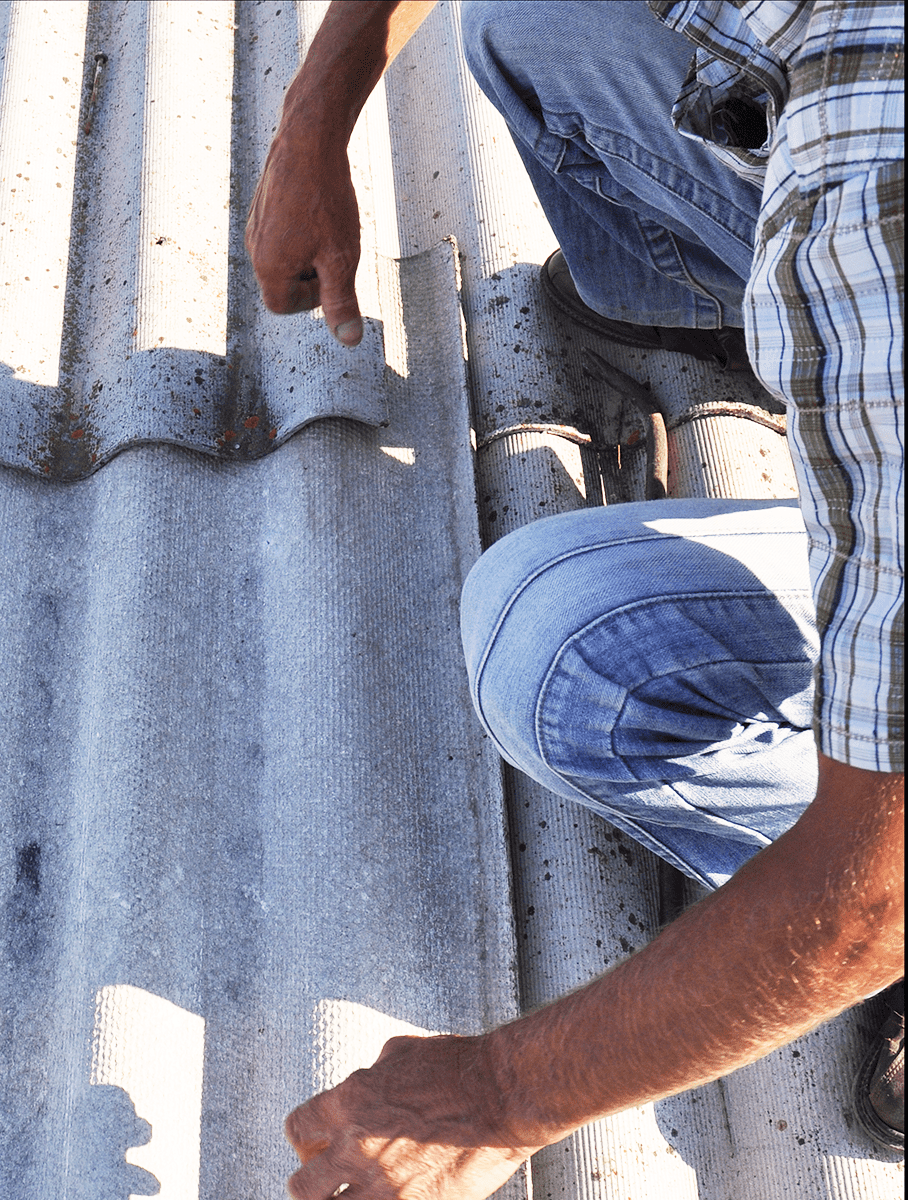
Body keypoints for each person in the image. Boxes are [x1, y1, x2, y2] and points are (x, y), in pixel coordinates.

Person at [246, 1, 903, 1196]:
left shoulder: (875, 216)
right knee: (541, 27)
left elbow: (879, 880)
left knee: (564, 643)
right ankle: (753, 334)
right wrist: (316, 116)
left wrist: (500, 1096)